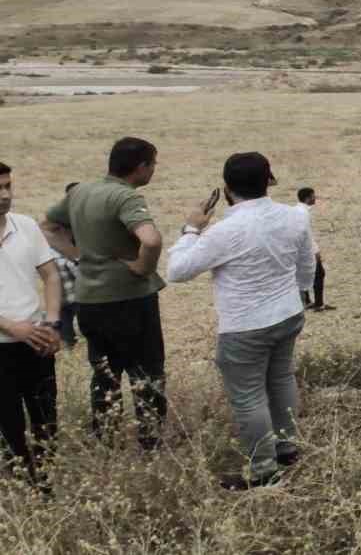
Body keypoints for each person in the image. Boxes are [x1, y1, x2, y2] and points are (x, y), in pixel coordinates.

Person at [168, 152, 316, 490]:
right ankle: (286, 447)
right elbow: (307, 264)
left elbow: (177, 271)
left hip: (245, 324)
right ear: (269, 181)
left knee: (249, 396)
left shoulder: (225, 231)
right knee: (281, 378)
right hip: (288, 312)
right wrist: (298, 292)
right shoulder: (295, 217)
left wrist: (191, 228)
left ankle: (264, 470)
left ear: (226, 188)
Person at [40, 137, 167, 450]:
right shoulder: (125, 197)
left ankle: (106, 440)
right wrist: (142, 268)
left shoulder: (81, 191)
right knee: (146, 374)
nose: (153, 170)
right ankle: (150, 442)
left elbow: (47, 227)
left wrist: (78, 255)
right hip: (130, 300)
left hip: (90, 300)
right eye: (153, 164)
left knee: (104, 374)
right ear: (141, 167)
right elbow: (150, 240)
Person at [0, 161, 63, 487]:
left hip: (37, 340)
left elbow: (51, 275)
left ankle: (47, 486)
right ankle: (21, 486)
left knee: (46, 420)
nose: (5, 195)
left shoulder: (24, 225)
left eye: (8, 186)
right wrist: (10, 326)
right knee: (8, 425)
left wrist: (52, 322)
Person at [49, 182, 81, 348]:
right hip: (65, 267)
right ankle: (68, 339)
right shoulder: (59, 217)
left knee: (71, 309)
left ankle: (69, 339)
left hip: (70, 266)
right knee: (68, 309)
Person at [294, 188, 332, 313]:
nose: (315, 198)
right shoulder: (303, 213)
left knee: (302, 273)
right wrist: (315, 252)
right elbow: (308, 235)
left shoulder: (297, 210)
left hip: (299, 249)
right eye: (313, 196)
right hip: (306, 250)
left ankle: (307, 300)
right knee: (319, 274)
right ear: (307, 198)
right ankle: (318, 303)